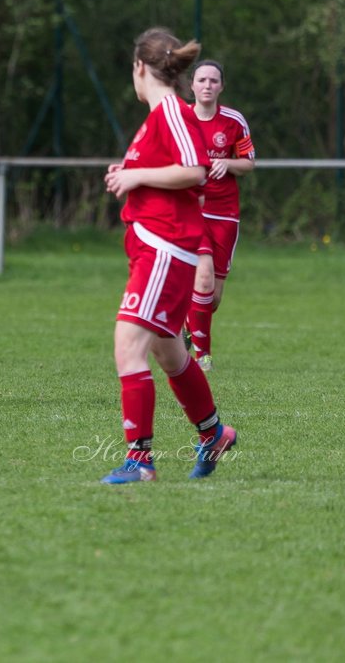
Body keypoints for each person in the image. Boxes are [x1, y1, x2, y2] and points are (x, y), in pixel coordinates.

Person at [99, 27, 237, 484]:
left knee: (128, 345)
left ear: (140, 67)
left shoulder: (171, 112)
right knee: (168, 350)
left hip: (164, 247)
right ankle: (213, 433)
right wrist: (130, 173)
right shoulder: (158, 118)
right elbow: (169, 171)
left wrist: (137, 179)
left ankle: (139, 462)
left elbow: (194, 170)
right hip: (154, 247)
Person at [182, 60, 255, 371]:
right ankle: (203, 356)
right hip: (191, 210)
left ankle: (188, 323)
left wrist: (230, 164)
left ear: (221, 86)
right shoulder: (181, 118)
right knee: (203, 275)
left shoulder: (233, 121)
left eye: (214, 80)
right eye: (202, 80)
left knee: (213, 297)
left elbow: (249, 161)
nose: (207, 85)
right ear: (192, 86)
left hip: (225, 213)